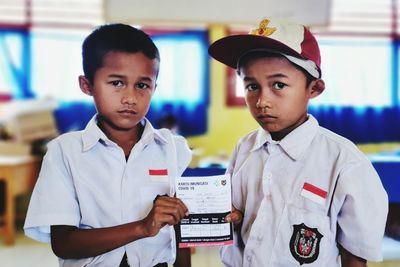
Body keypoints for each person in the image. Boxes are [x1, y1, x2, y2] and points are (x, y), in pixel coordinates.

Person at [208, 18, 388, 267]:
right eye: (251, 86)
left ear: (314, 88)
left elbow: (354, 258)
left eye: (278, 85)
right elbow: (235, 211)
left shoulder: (345, 164)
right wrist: (235, 216)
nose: (262, 101)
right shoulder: (245, 148)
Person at [24, 23, 192, 267]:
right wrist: (143, 227)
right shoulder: (65, 152)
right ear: (87, 85)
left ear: (154, 87)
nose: (130, 98)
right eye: (116, 83)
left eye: (142, 85)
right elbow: (64, 243)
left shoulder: (174, 149)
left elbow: (182, 231)